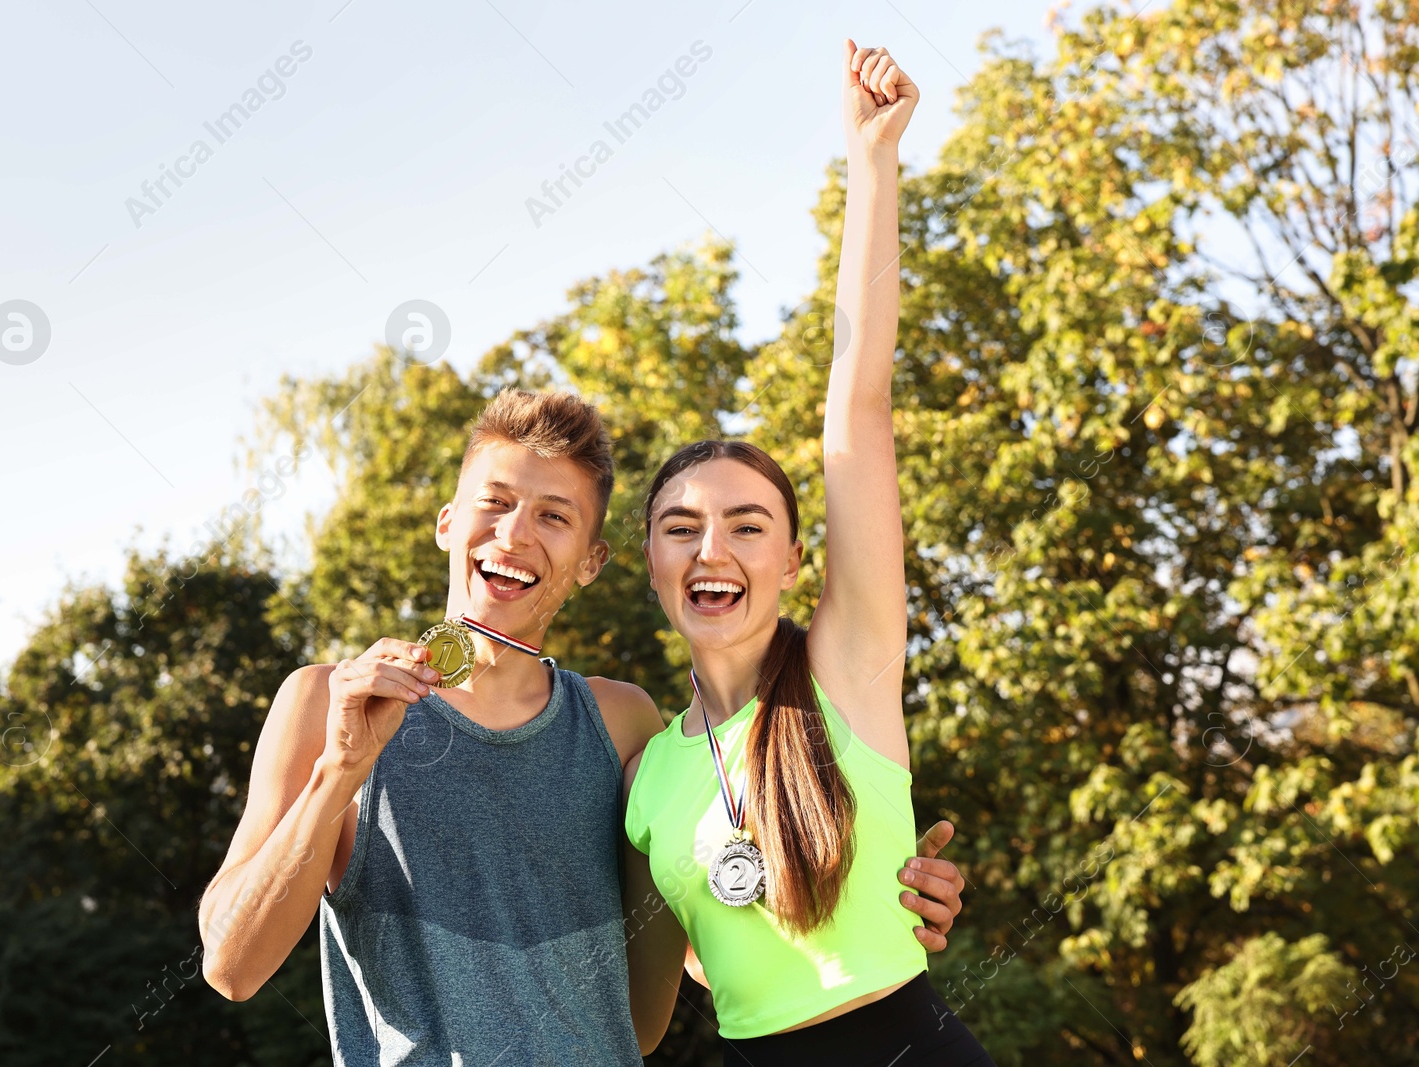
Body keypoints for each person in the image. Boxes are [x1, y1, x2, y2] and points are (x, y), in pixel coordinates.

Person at [197, 239, 967, 1066]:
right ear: (447, 523)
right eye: (493, 502)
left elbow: (661, 981)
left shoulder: (624, 726)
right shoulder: (324, 703)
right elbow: (232, 968)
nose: (514, 534)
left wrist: (865, 885)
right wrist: (338, 773)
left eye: (554, 516)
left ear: (592, 561)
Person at [622, 41, 996, 1066]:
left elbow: (856, 409)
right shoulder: (646, 772)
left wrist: (870, 162)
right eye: (681, 527)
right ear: (651, 562)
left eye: (749, 524)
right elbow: (702, 955)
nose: (714, 547)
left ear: (793, 559)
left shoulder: (848, 664)